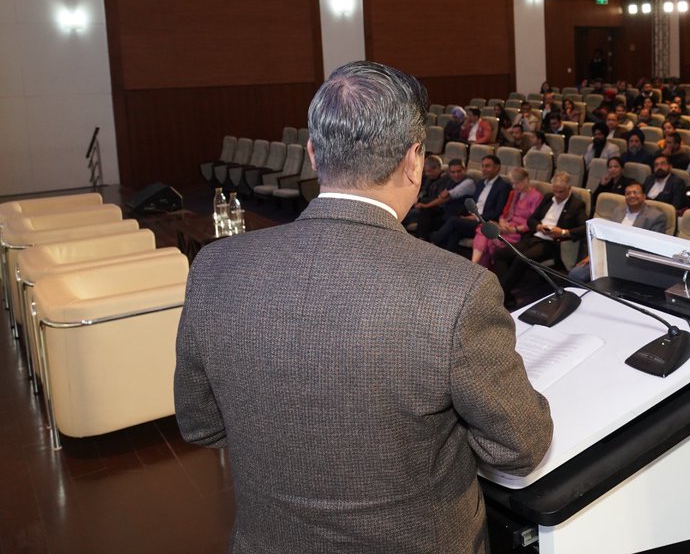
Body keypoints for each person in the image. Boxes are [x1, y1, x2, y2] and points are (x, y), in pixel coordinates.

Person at [175, 62, 552, 553]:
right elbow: (520, 446)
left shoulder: (215, 267)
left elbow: (200, 424)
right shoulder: (458, 290)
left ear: (313, 153)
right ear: (415, 160)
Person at [493, 171, 588, 296]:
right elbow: (531, 219)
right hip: (535, 237)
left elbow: (584, 228)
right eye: (555, 191)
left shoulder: (576, 205)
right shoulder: (548, 197)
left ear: (569, 188)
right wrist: (538, 226)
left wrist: (563, 232)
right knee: (500, 254)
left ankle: (501, 294)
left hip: (551, 244)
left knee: (521, 258)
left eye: (561, 192)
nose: (557, 195)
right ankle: (505, 292)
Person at [472, 167, 542, 268]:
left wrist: (514, 229)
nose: (514, 186)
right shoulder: (514, 193)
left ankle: (478, 267)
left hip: (519, 232)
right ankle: (475, 265)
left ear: (526, 180)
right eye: (512, 183)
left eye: (517, 183)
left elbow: (533, 221)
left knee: (489, 236)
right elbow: (504, 213)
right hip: (507, 226)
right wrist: (502, 222)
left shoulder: (536, 196)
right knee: (484, 230)